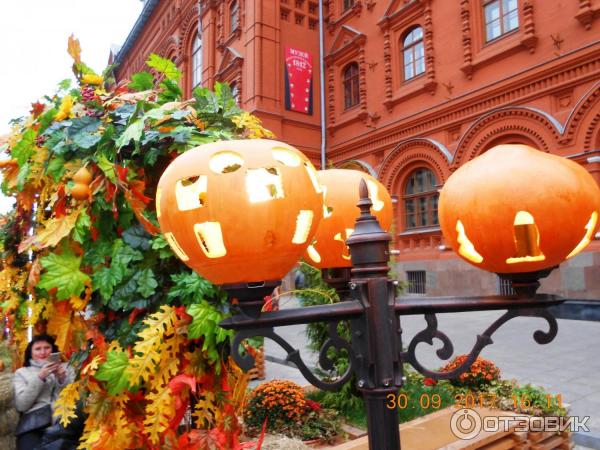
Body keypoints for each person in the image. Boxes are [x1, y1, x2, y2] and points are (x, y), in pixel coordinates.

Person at [13, 334, 73, 450]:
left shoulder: (67, 368)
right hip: (34, 425)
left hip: (64, 422)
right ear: (30, 352)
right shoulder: (22, 372)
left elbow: (77, 397)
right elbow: (21, 405)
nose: (43, 352)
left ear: (53, 349)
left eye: (47, 347)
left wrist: (62, 379)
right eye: (38, 349)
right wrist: (39, 377)